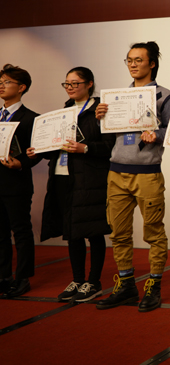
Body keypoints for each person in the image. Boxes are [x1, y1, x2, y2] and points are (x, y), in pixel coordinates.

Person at [95, 42, 170, 312]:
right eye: (129, 60)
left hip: (147, 174)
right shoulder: (117, 97)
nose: (133, 64)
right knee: (118, 233)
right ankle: (126, 284)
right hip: (116, 172)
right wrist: (101, 117)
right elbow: (110, 133)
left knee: (153, 233)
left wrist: (157, 134)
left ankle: (153, 286)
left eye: (139, 60)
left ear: (152, 63)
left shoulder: (165, 96)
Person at [28, 67, 114, 302]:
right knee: (72, 231)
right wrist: (39, 151)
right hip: (62, 176)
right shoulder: (64, 112)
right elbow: (56, 148)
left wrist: (85, 148)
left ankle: (94, 282)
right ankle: (77, 279)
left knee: (93, 231)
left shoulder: (100, 110)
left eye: (75, 83)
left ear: (89, 84)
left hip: (90, 180)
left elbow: (110, 147)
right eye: (67, 83)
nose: (70, 88)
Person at [0, 64, 40, 298]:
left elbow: (38, 151)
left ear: (22, 87)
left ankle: (23, 278)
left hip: (16, 183)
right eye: (0, 82)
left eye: (7, 82)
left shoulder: (31, 118)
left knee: (21, 230)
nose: (2, 86)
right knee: (0, 233)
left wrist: (22, 162)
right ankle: (3, 276)